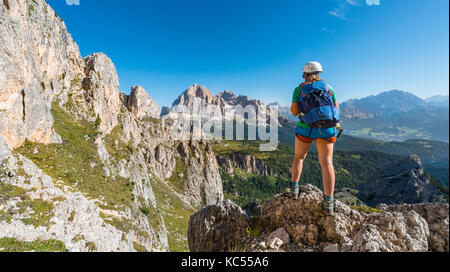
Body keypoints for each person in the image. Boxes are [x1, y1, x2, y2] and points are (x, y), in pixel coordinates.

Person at [288, 61, 340, 216]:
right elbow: (336, 109)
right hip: (327, 130)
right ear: (319, 73)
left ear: (305, 74)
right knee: (327, 164)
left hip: (306, 129)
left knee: (298, 158)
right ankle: (328, 203)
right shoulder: (329, 89)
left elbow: (293, 112)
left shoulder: (299, 89)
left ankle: (294, 190)